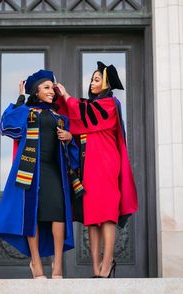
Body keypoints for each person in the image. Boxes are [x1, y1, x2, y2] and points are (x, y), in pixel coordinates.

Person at [0, 69, 79, 279]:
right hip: (30, 170)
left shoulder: (60, 118)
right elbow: (5, 125)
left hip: (54, 171)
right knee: (34, 215)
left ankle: (58, 265)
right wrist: (21, 98)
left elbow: (72, 153)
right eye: (46, 88)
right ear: (36, 92)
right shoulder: (27, 112)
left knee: (58, 213)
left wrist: (69, 138)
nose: (51, 91)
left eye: (52, 88)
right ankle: (37, 262)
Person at [56, 61, 138, 278]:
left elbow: (85, 114)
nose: (92, 83)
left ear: (106, 84)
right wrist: (68, 135)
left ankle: (107, 264)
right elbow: (79, 124)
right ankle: (95, 268)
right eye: (92, 80)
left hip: (107, 164)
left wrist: (66, 96)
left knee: (108, 214)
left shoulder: (110, 104)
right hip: (88, 166)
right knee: (91, 218)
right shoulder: (89, 107)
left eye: (97, 79)